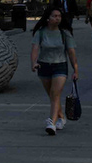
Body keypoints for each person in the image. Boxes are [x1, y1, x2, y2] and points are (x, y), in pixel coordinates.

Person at [29, 7, 80, 135]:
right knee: (52, 96)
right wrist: (34, 63)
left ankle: (51, 122)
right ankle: (61, 117)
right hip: (44, 66)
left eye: (59, 16)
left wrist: (76, 69)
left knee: (55, 93)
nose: (57, 18)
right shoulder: (40, 32)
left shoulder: (64, 33)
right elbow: (35, 49)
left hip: (60, 66)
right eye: (54, 16)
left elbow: (71, 52)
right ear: (48, 18)